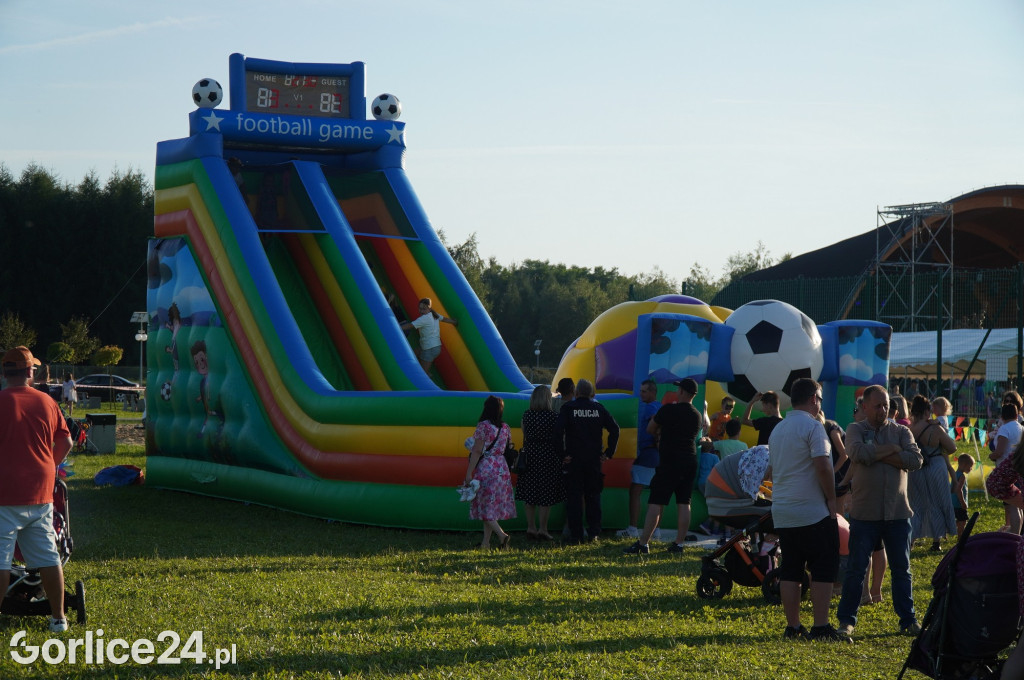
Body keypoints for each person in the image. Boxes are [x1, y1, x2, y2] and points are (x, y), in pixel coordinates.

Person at [837, 384, 923, 639]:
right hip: (865, 514)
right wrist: (893, 450)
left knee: (902, 570)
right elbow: (856, 453)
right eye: (878, 406)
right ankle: (846, 622)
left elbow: (916, 460)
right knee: (856, 569)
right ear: (865, 407)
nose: (883, 410)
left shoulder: (901, 430)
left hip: (897, 513)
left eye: (886, 405)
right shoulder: (855, 429)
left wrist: (876, 455)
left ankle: (908, 619)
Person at [766, 378, 847, 642]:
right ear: (814, 398)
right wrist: (832, 500)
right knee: (824, 567)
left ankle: (793, 626)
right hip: (812, 510)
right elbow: (823, 466)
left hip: (783, 509)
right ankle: (821, 626)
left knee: (791, 568)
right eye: (820, 399)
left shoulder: (778, 429)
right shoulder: (813, 427)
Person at [0, 346, 74, 632]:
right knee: (47, 557)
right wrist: (49, 467)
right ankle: (58, 618)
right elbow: (66, 443)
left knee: (1, 560)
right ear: (30, 372)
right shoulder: (47, 402)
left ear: (5, 372)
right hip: (41, 490)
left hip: (4, 492)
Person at [623, 378, 702, 555]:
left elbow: (650, 428)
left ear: (681, 392)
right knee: (684, 502)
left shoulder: (668, 409)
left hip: (669, 461)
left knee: (656, 502)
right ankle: (679, 544)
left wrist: (662, 433)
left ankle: (643, 543)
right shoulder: (696, 414)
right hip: (689, 460)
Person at [554, 379, 619, 544]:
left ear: (576, 393)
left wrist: (562, 454)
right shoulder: (599, 408)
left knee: (574, 498)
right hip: (593, 461)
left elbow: (557, 431)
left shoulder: (568, 408)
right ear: (593, 394)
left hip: (574, 460)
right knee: (593, 497)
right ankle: (593, 533)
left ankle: (576, 535)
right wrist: (608, 453)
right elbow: (615, 429)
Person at [464, 395, 516, 549]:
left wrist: (469, 473)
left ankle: (502, 535)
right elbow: (507, 447)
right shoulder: (505, 427)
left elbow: (477, 450)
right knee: (491, 506)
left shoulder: (483, 426)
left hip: (487, 467)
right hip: (501, 468)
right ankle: (485, 543)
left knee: (483, 505)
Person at [907, 395, 958, 552]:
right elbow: (952, 448)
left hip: (915, 468)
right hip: (936, 465)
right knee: (938, 502)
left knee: (916, 505)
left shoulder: (909, 429)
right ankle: (937, 541)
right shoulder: (935, 428)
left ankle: (911, 540)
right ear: (927, 410)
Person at [515, 385, 564, 540]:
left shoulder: (526, 415)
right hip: (548, 457)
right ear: (547, 399)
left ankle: (530, 527)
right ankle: (543, 528)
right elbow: (558, 437)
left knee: (530, 494)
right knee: (545, 494)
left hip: (530, 456)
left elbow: (525, 433)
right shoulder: (554, 417)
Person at [617, 379, 660, 540]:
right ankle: (656, 530)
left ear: (652, 392)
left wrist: (655, 440)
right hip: (653, 455)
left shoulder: (652, 407)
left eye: (644, 391)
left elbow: (656, 426)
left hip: (647, 455)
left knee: (635, 491)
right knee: (656, 494)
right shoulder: (656, 406)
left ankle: (633, 528)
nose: (641, 394)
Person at [399, 298, 458, 374]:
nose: (421, 311)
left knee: (423, 373)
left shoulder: (424, 318)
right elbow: (444, 319)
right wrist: (454, 322)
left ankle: (426, 374)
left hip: (430, 349)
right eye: (420, 308)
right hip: (433, 346)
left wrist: (397, 327)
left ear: (429, 309)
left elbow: (411, 325)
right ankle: (422, 369)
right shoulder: (433, 314)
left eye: (424, 309)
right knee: (415, 353)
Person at [990, 402, 1023, 533]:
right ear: (1017, 414)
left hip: (1007, 471)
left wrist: (992, 456)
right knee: (1019, 504)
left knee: (1013, 506)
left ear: (1002, 416)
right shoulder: (1020, 427)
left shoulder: (1004, 429)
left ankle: (1014, 533)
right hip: (1019, 469)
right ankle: (1018, 531)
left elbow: (1000, 450)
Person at [950, 453, 974, 539]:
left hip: (953, 502)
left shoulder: (954, 474)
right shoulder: (962, 476)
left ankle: (949, 529)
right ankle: (961, 538)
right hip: (959, 503)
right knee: (962, 521)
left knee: (957, 520)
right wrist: (963, 502)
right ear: (964, 465)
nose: (971, 469)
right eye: (970, 466)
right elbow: (958, 490)